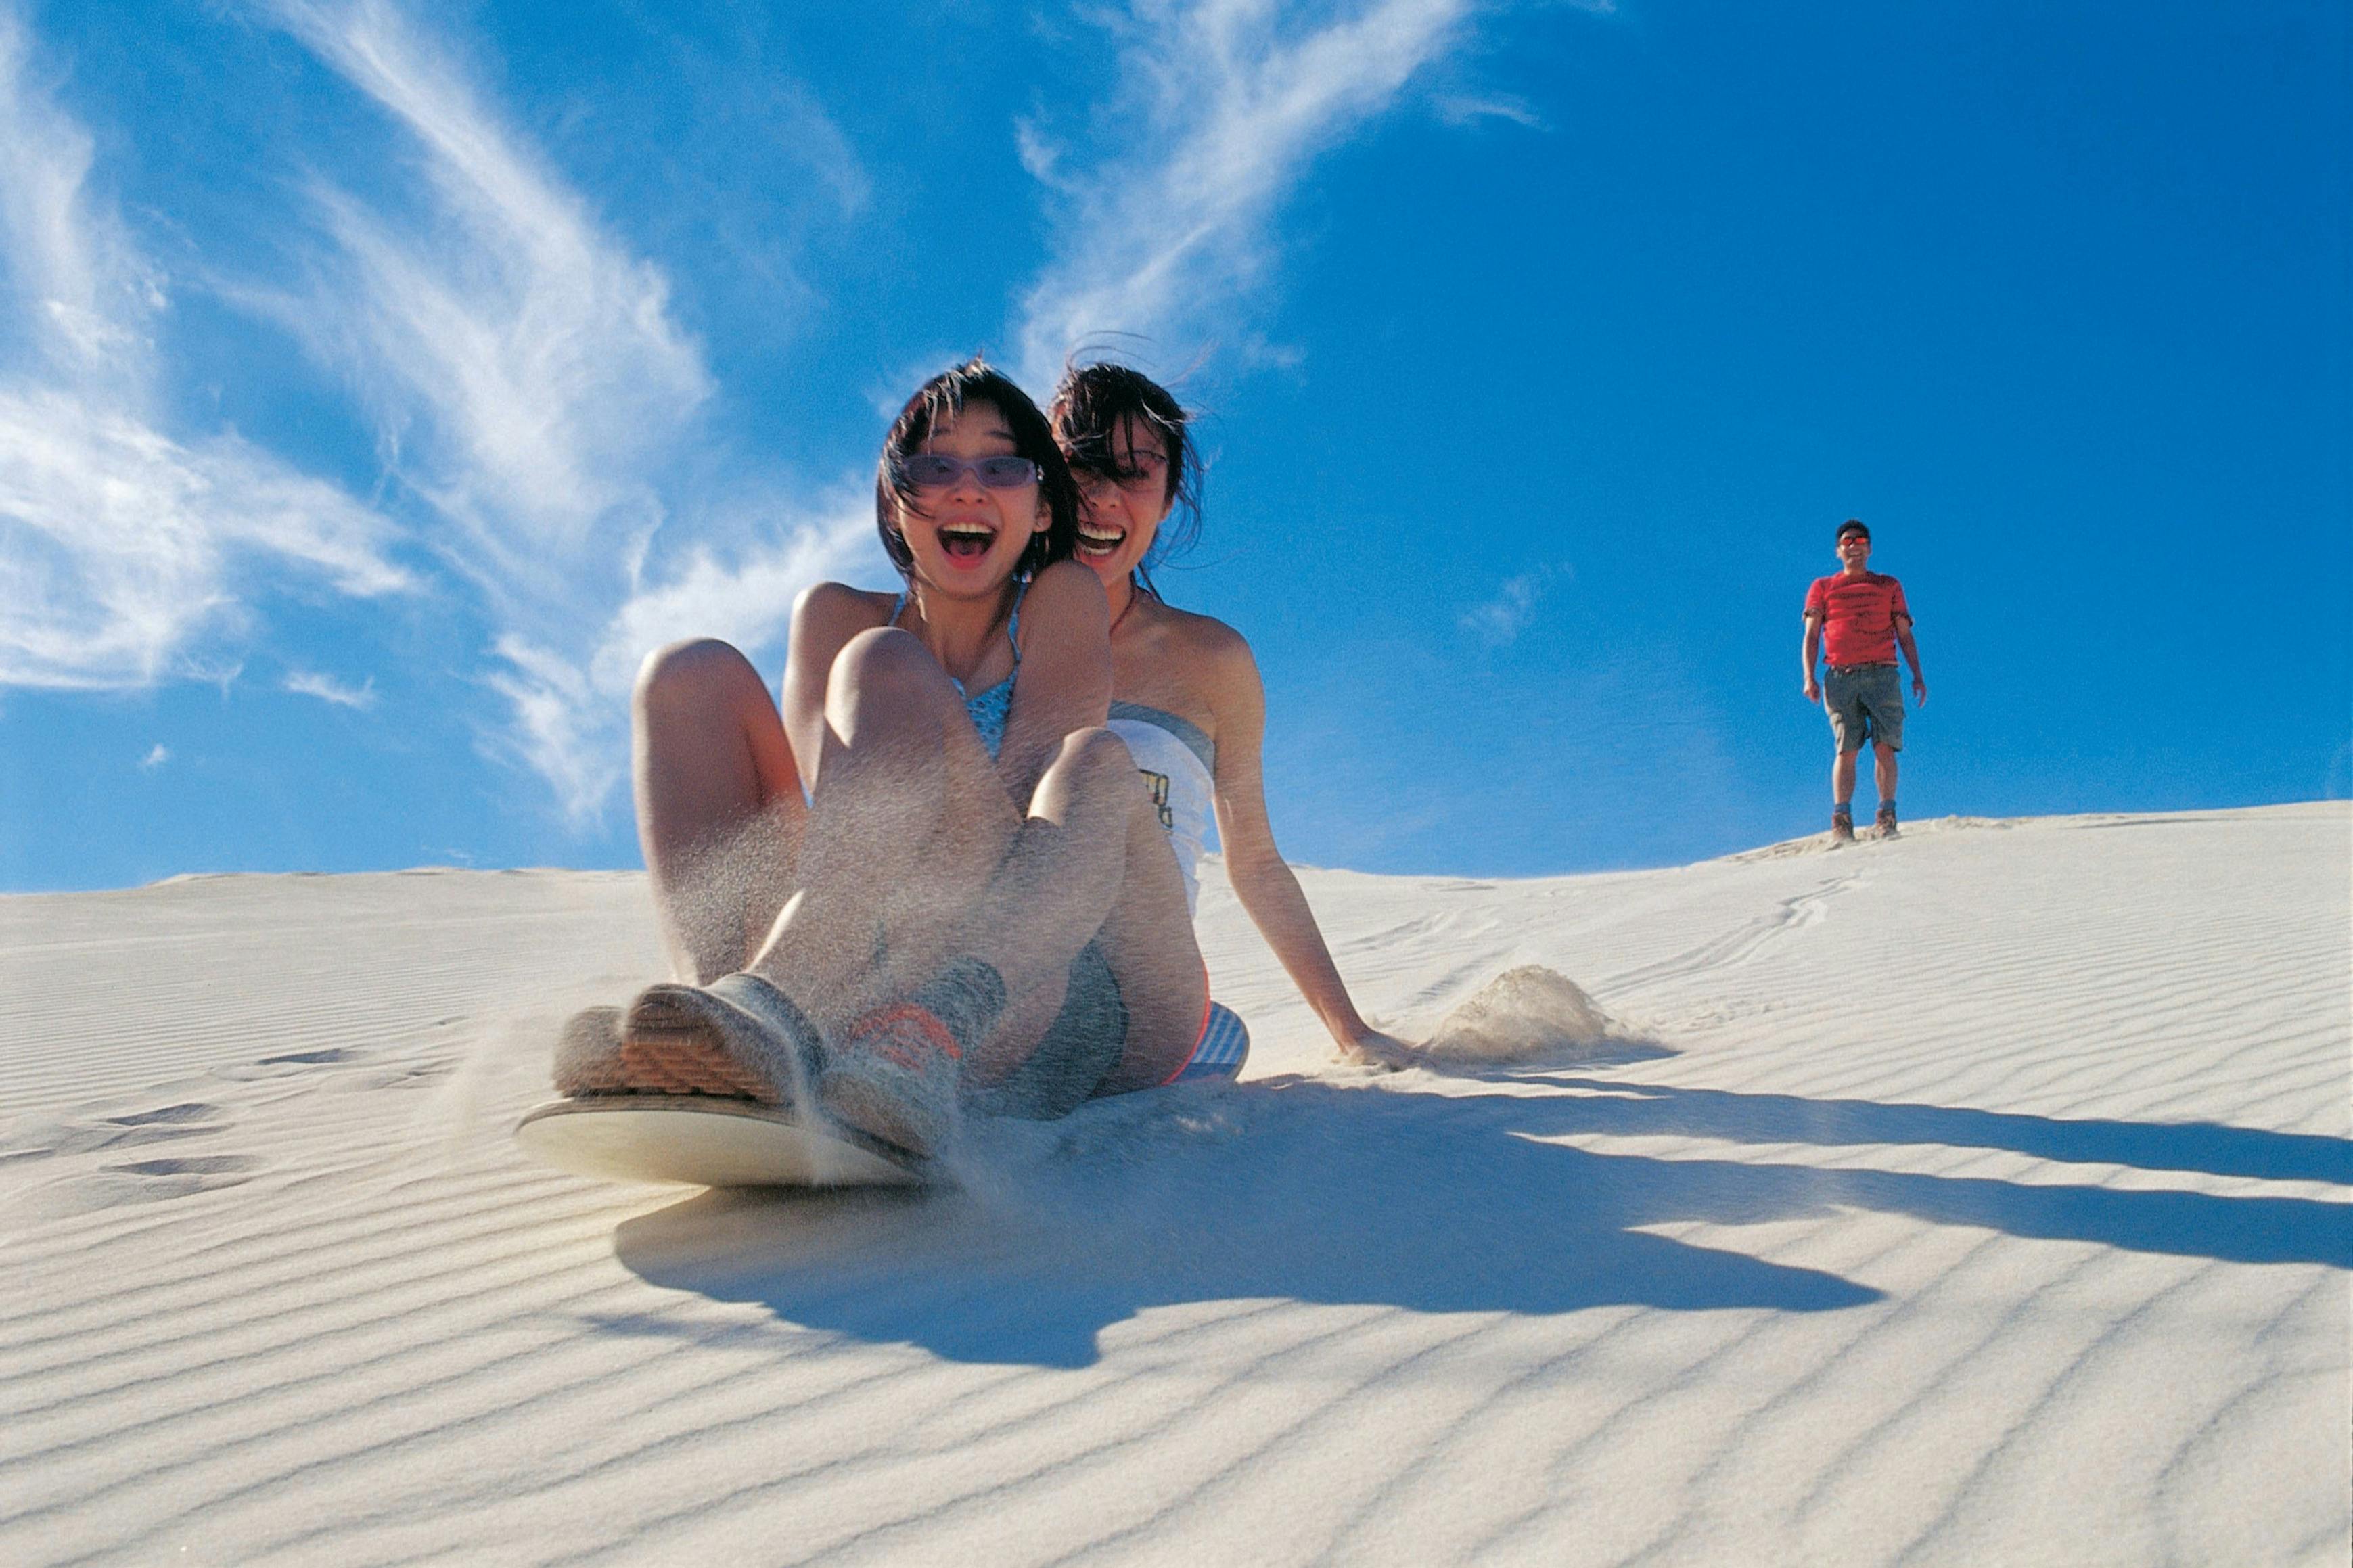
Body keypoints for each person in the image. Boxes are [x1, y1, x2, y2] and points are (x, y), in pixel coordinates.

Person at [559, 359, 1216, 1156]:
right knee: (686, 671)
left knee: (1092, 760)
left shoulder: (1061, 597)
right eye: (934, 466)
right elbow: (833, 841)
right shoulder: (834, 615)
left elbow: (1027, 837)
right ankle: (716, 1032)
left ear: (1044, 508)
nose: (967, 488)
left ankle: (827, 1015)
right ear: (896, 503)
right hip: (874, 953)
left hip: (1039, 980)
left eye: (1002, 466)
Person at [1049, 362, 1413, 1068]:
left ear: (1167, 498)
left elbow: (1255, 862)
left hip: (1141, 991)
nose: (1100, 499)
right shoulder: (992, 634)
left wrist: (1352, 1031)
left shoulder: (1211, 659)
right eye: (1080, 468)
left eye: (1133, 475)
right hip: (997, 977)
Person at [1801, 519, 1926, 842]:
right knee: (1847, 749)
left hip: (1883, 672)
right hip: (1840, 676)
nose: (1854, 546)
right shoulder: (1823, 587)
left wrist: (1917, 675)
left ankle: (1887, 817)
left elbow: (1904, 634)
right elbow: (1812, 634)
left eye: (1860, 541)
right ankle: (1842, 819)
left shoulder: (1888, 585)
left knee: (1885, 747)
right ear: (1838, 550)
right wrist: (1808, 676)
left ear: (1869, 549)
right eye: (1847, 542)